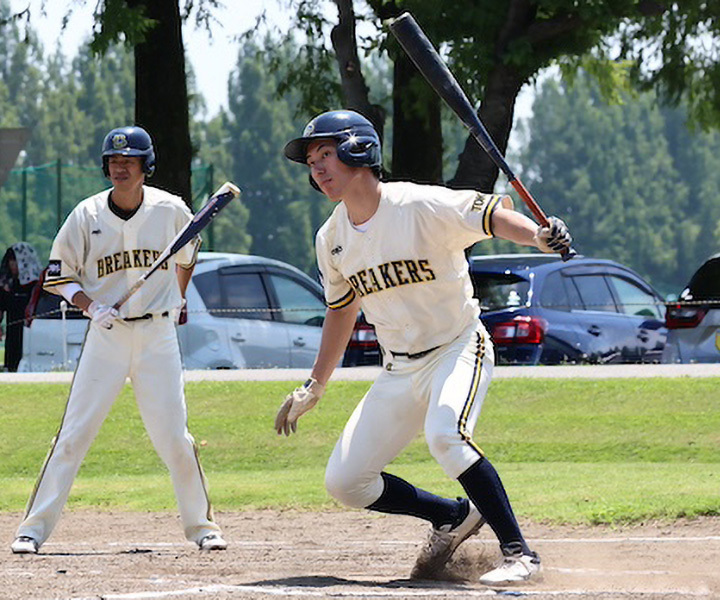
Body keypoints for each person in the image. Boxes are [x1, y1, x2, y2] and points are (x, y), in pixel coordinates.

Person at [275, 110, 572, 585]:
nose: (317, 168)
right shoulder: (331, 237)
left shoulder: (417, 204)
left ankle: (520, 554)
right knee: (345, 482)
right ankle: (453, 516)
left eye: (325, 154)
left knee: (445, 435)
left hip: (457, 347)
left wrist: (536, 235)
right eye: (311, 161)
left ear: (358, 150)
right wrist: (316, 384)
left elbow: (490, 215)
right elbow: (341, 310)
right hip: (398, 370)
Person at [10, 126, 226, 555]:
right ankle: (32, 530)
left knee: (174, 437)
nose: (119, 168)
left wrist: (173, 300)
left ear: (146, 167)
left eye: (128, 162)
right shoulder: (86, 215)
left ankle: (203, 527)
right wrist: (92, 306)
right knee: (73, 434)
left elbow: (186, 260)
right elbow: (58, 277)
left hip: (157, 334)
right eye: (113, 161)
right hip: (106, 334)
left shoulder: (171, 211)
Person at [0, 242, 42, 372]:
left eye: (14, 261)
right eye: (10, 261)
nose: (12, 265)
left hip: (32, 334)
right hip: (12, 336)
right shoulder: (8, 285)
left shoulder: (37, 286)